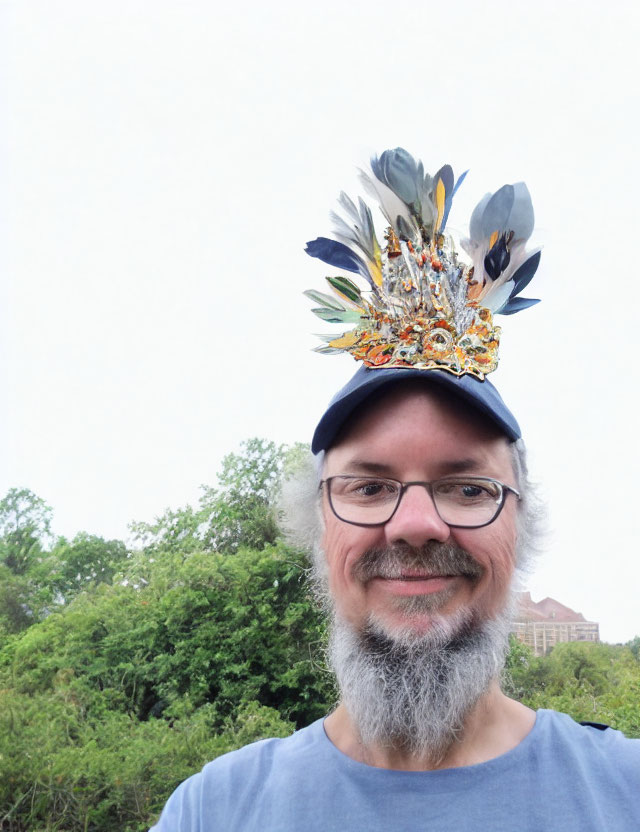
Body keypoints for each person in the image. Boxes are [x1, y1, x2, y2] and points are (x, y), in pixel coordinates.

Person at [150, 150, 639, 831]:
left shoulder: (626, 794)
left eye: (467, 488)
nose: (414, 525)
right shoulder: (214, 812)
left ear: (522, 526)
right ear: (318, 527)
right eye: (369, 487)